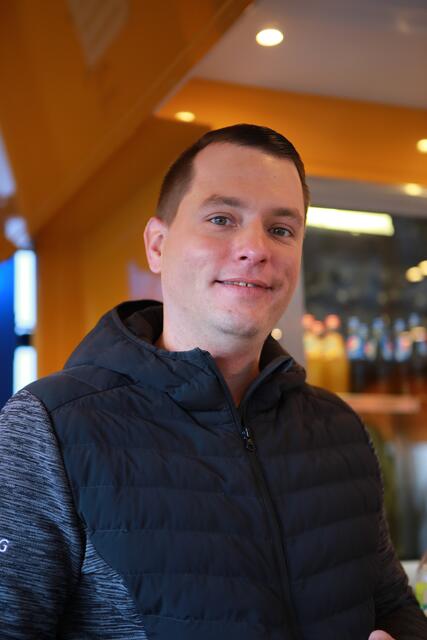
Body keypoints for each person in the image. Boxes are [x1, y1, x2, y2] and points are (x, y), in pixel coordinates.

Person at [0, 124, 425, 640]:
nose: (255, 248)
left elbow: (391, 602)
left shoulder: (339, 428)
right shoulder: (47, 428)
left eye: (281, 229)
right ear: (158, 245)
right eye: (222, 219)